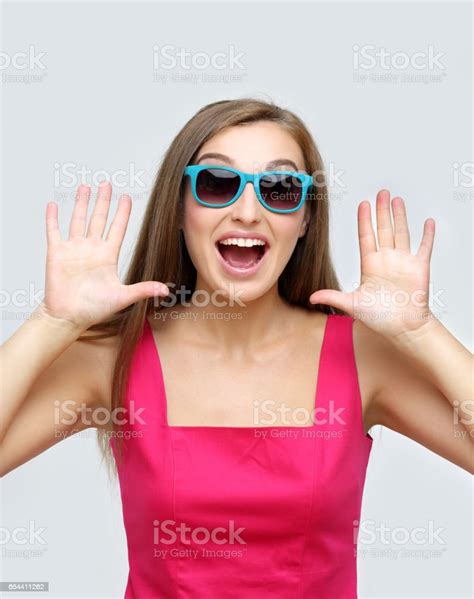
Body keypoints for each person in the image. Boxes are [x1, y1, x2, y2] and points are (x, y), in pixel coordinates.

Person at [1, 98, 472, 598]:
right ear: (180, 209)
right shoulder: (113, 359)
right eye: (217, 184)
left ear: (306, 220)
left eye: (280, 189)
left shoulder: (359, 356)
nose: (248, 212)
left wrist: (421, 333)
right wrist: (52, 323)